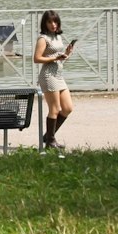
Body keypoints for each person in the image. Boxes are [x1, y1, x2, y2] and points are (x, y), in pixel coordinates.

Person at [33, 10, 77, 152]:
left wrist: (67, 53)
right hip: (48, 76)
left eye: (55, 21)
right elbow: (37, 58)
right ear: (45, 23)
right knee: (55, 109)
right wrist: (54, 58)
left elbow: (59, 57)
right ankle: (50, 141)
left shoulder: (58, 37)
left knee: (68, 108)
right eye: (50, 22)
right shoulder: (43, 38)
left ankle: (48, 136)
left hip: (59, 75)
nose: (53, 24)